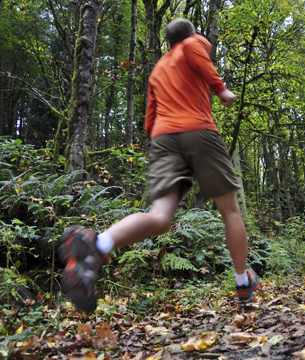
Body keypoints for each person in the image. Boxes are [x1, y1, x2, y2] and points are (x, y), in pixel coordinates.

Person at [58, 18, 260, 313]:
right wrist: (220, 89)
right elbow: (198, 54)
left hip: (162, 139)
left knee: (161, 216)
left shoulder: (158, 70)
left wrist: (163, 140)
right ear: (189, 35)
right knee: (229, 209)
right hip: (198, 130)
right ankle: (243, 282)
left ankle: (96, 245)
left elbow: (149, 120)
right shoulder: (193, 43)